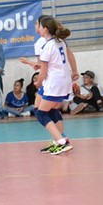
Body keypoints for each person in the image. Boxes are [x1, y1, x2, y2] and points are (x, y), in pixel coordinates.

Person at [34, 16, 76, 155]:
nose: (38, 28)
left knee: (41, 113)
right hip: (64, 82)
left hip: (55, 84)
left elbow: (43, 72)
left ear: (45, 29)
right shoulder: (60, 42)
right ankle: (58, 141)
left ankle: (61, 141)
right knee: (51, 110)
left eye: (39, 26)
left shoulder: (48, 46)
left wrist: (38, 83)